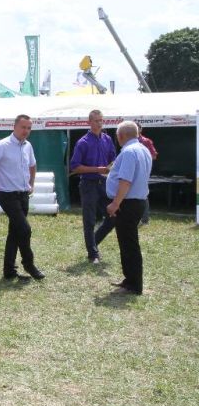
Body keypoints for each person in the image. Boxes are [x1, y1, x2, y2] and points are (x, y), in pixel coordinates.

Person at [0, 114, 45, 281]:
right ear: (15, 127)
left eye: (29, 128)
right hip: (8, 196)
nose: (26, 131)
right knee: (25, 230)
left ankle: (9, 271)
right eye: (23, 127)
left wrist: (31, 184)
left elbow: (32, 165)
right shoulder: (3, 145)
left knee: (15, 233)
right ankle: (29, 264)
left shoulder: (28, 146)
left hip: (23, 195)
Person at [106, 121, 152, 295]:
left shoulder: (128, 152)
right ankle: (130, 279)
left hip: (128, 203)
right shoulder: (143, 149)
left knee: (129, 244)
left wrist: (115, 203)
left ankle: (134, 283)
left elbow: (125, 181)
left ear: (121, 136)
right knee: (127, 242)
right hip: (137, 201)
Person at [70, 110, 117, 264]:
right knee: (89, 220)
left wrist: (112, 167)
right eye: (96, 121)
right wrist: (98, 169)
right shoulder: (83, 142)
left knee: (113, 217)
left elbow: (113, 160)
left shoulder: (107, 139)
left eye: (101, 120)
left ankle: (93, 243)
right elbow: (75, 167)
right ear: (89, 122)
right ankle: (93, 254)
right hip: (89, 184)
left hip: (104, 184)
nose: (99, 123)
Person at [135, 122, 158, 225]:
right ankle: (135, 217)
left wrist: (142, 157)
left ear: (140, 129)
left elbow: (154, 156)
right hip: (132, 170)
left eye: (136, 128)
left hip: (142, 171)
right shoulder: (128, 140)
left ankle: (144, 219)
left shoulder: (146, 141)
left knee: (143, 194)